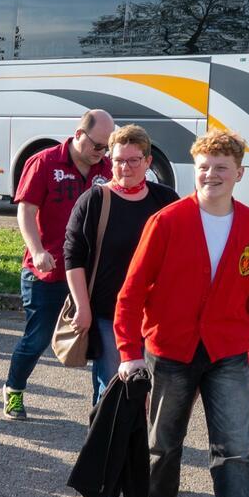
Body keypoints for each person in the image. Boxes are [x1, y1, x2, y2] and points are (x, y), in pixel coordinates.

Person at [113, 129, 249, 497]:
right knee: (165, 443)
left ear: (239, 174)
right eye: (204, 167)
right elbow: (130, 293)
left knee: (235, 453)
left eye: (221, 168)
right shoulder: (167, 222)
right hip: (171, 350)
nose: (211, 175)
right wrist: (129, 354)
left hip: (228, 352)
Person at [2, 109, 113, 420]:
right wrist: (36, 250)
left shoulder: (106, 168)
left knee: (101, 340)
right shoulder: (45, 162)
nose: (102, 153)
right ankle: (14, 389)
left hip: (90, 274)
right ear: (79, 135)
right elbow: (25, 211)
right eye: (97, 146)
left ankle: (101, 409)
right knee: (38, 338)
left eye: (107, 147)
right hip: (47, 271)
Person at [63, 124, 179, 403]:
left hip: (154, 317)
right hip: (107, 315)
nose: (125, 167)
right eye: (117, 160)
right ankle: (104, 445)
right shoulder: (94, 200)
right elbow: (73, 255)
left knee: (152, 393)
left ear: (148, 162)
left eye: (133, 160)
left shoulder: (164, 200)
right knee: (114, 389)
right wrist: (82, 308)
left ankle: (138, 446)